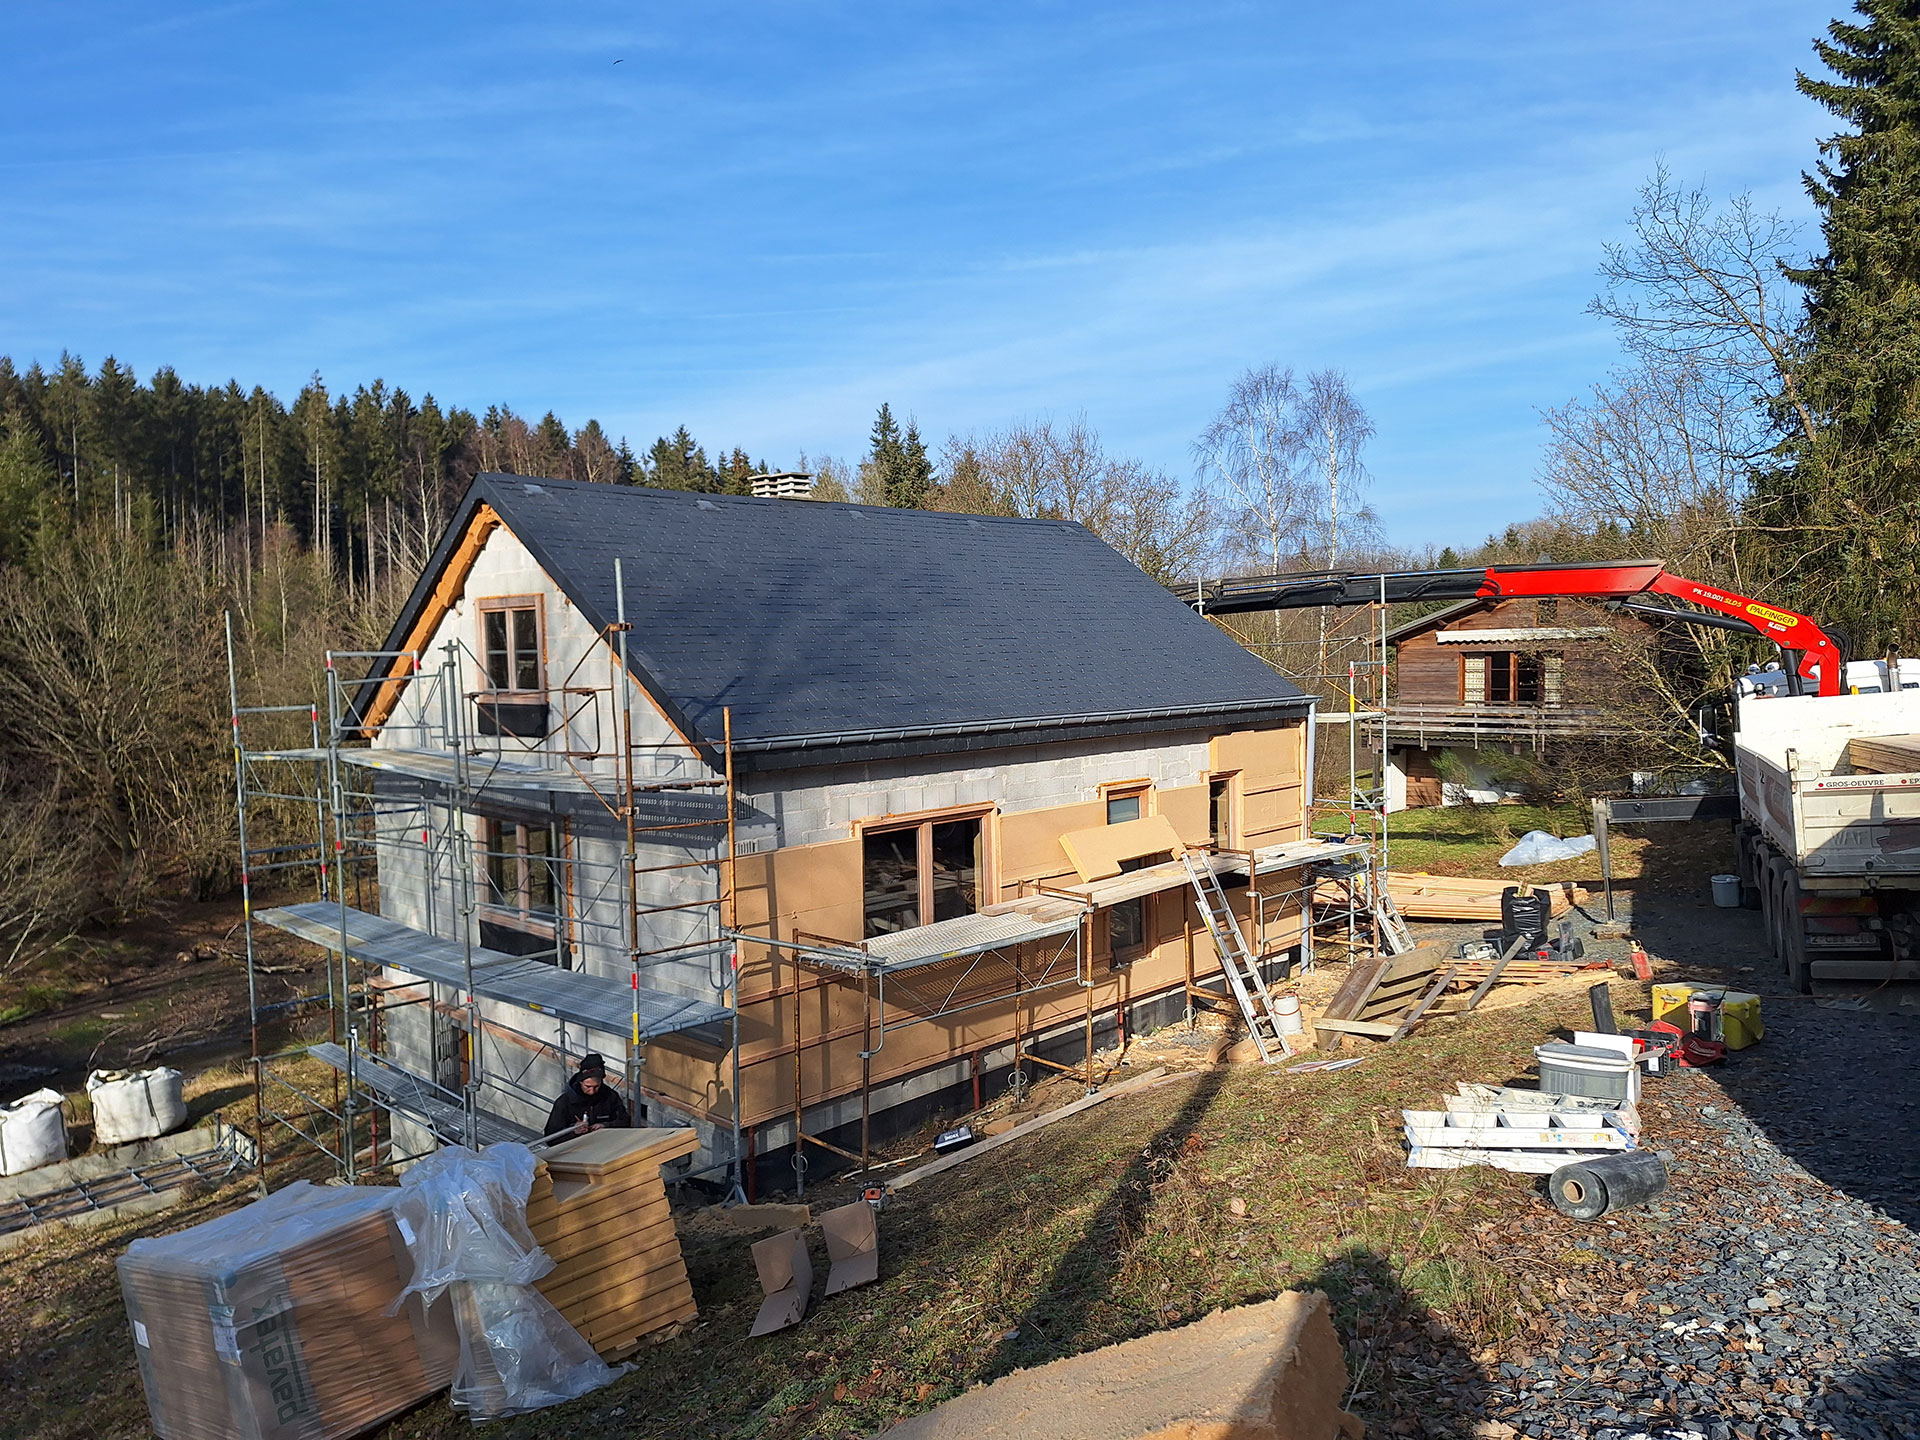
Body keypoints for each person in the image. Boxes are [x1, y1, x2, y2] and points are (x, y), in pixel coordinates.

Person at [543, 1052, 631, 1137]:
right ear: (580, 1082)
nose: (592, 1091)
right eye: (588, 1086)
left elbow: (625, 1122)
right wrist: (573, 1131)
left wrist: (605, 1125)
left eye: (596, 1086)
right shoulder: (564, 1102)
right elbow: (550, 1137)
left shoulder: (610, 1096)